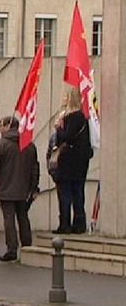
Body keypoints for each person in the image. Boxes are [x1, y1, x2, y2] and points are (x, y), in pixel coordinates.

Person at [0, 116, 39, 262]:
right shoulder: (29, 144)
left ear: (7, 126)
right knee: (23, 217)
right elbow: (35, 167)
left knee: (9, 219)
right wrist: (34, 187)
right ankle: (27, 245)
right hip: (24, 188)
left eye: (0, 126)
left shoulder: (0, 144)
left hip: (6, 187)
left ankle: (11, 249)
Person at [54, 88, 93, 234]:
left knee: (65, 194)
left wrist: (58, 128)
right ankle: (79, 223)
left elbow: (66, 137)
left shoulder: (72, 117)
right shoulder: (84, 119)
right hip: (81, 162)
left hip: (69, 162)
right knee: (78, 192)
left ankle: (65, 224)